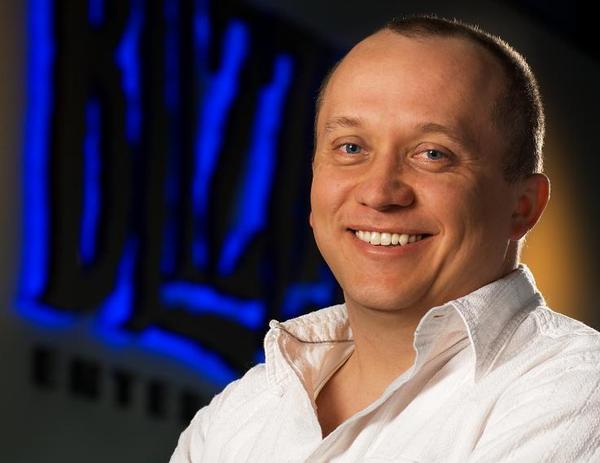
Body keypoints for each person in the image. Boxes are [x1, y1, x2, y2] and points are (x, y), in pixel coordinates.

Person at [170, 15, 600, 462]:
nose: (378, 193)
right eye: (351, 147)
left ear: (523, 206)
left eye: (432, 154)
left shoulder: (577, 391)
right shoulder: (236, 414)